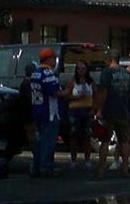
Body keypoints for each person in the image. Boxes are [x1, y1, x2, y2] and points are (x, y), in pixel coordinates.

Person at [93, 49, 130, 178]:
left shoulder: (107, 72)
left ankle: (101, 170)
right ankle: (125, 169)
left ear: (109, 59)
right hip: (123, 111)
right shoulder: (127, 73)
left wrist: (99, 109)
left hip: (109, 111)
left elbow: (103, 92)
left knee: (105, 140)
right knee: (124, 141)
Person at [30, 48, 67, 178]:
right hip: (49, 112)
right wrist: (67, 92)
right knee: (48, 141)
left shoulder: (35, 74)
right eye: (53, 58)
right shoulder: (49, 74)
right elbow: (54, 92)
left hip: (37, 111)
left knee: (39, 141)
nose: (54, 61)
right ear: (49, 59)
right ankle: (46, 167)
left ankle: (36, 166)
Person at [65, 61, 95, 170]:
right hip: (75, 111)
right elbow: (66, 95)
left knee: (87, 136)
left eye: (83, 68)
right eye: (78, 68)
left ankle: (87, 159)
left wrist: (94, 109)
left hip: (87, 111)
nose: (81, 70)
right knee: (74, 136)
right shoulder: (72, 82)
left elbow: (96, 96)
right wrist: (77, 97)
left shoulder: (91, 82)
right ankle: (73, 160)